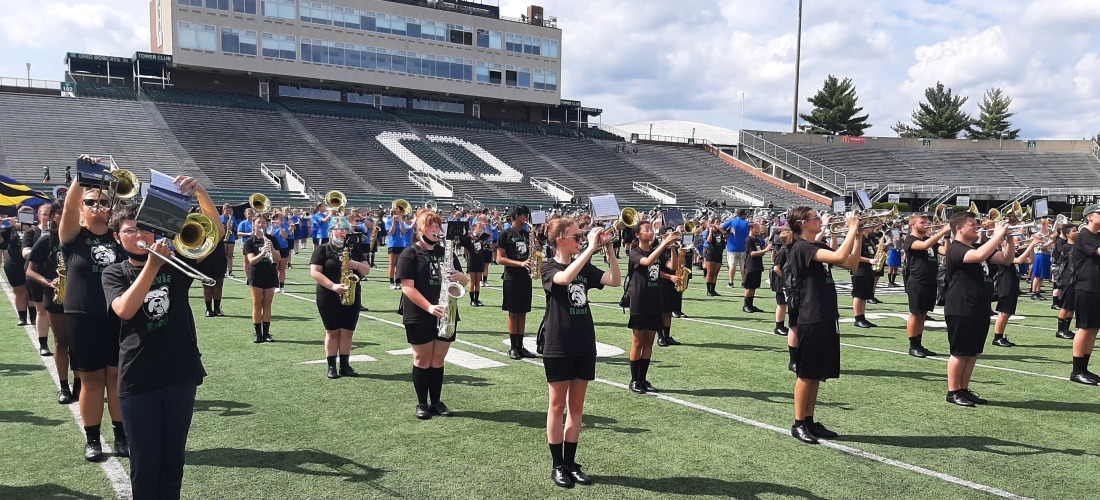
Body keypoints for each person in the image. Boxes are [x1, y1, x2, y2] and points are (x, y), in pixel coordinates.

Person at [101, 176, 221, 499]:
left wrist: (200, 192)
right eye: (130, 230)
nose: (139, 235)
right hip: (138, 381)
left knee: (172, 463)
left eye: (143, 227)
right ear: (117, 236)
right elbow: (125, 309)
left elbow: (215, 234)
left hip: (180, 374)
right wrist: (152, 266)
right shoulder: (114, 272)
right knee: (146, 464)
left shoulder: (177, 262)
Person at [539, 216, 619, 488]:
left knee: (576, 407)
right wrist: (589, 249)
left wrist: (607, 249)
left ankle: (571, 463)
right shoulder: (549, 266)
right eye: (576, 236)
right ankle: (557, 465)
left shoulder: (584, 264)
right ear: (560, 239)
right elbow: (564, 278)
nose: (581, 239)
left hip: (584, 341)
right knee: (557, 405)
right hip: (558, 343)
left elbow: (615, 280)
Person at [58, 166, 125, 461]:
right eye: (90, 201)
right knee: (92, 380)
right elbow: (70, 209)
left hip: (117, 316)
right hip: (82, 316)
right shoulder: (74, 236)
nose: (96, 205)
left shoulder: (120, 238)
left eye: (103, 201)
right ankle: (93, 439)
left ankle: (122, 436)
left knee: (117, 378)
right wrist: (81, 179)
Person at [785, 208, 862, 444]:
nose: (820, 220)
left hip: (826, 314)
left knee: (817, 374)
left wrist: (857, 236)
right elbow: (839, 257)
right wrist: (850, 228)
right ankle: (798, 423)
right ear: (803, 224)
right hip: (811, 315)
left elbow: (851, 263)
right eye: (815, 218)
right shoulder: (803, 247)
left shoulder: (817, 247)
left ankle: (809, 419)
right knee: (806, 373)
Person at [397, 209, 469, 419]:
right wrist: (429, 307)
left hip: (447, 311)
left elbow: (464, 282)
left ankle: (436, 401)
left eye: (438, 226)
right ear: (420, 229)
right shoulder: (410, 253)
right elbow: (407, 287)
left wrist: (460, 276)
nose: (436, 230)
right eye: (431, 226)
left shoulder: (446, 252)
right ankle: (422, 403)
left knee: (438, 360)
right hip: (420, 313)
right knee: (422, 359)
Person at [942, 211, 1012, 406]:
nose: (977, 227)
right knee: (960, 351)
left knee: (973, 352)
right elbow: (979, 255)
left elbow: (1007, 259)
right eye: (972, 224)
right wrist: (998, 235)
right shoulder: (955, 249)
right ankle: (953, 391)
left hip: (980, 306)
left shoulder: (980, 247)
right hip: (961, 305)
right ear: (959, 228)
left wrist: (1010, 238)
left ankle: (964, 389)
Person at [26, 200, 79, 404]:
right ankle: (64, 387)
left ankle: (79, 383)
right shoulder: (46, 240)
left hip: (79, 297)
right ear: (53, 216)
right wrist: (48, 282)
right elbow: (30, 271)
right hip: (56, 295)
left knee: (79, 343)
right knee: (61, 341)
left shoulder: (79, 238)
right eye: (62, 212)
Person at [310, 217, 370, 379]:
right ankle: (331, 366)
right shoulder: (322, 249)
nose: (343, 232)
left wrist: (356, 265)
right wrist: (333, 286)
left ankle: (345, 365)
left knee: (347, 332)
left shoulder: (353, 248)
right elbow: (315, 272)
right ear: (331, 231)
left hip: (351, 293)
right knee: (332, 332)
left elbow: (366, 270)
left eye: (345, 229)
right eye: (340, 229)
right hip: (328, 294)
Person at [625, 220, 678, 393]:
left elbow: (673, 267)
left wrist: (672, 247)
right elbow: (647, 262)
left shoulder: (658, 251)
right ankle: (634, 380)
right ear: (637, 235)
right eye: (647, 230)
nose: (651, 233)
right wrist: (663, 243)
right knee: (638, 341)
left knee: (649, 342)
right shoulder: (634, 253)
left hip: (655, 299)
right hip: (639, 301)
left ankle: (643, 379)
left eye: (651, 230)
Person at [902, 214, 951, 357]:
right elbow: (924, 246)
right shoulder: (910, 240)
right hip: (917, 281)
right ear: (913, 226)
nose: (926, 224)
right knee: (915, 313)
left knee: (923, 314)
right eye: (922, 222)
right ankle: (912, 346)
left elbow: (945, 252)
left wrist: (947, 237)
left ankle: (919, 343)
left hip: (930, 281)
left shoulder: (928, 241)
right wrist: (942, 231)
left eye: (926, 222)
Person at [496, 205, 537, 359]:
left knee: (523, 312)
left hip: (525, 277)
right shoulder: (505, 234)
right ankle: (513, 347)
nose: (527, 218)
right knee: (513, 312)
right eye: (525, 215)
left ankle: (521, 346)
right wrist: (520, 263)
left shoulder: (528, 234)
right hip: (511, 277)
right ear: (518, 216)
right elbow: (499, 258)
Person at [1069, 205, 1100, 385]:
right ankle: (1076, 371)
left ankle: (1085, 368)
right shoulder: (1085, 235)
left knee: (1094, 328)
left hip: (1096, 287)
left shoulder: (1096, 236)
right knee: (1085, 327)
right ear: (1089, 217)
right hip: (1086, 287)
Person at [991, 235, 1038, 347]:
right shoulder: (1001, 255)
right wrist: (1030, 245)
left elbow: (1031, 260)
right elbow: (1020, 260)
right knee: (1004, 313)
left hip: (1012, 285)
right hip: (1005, 285)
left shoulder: (1011, 254)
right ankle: (997, 337)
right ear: (1002, 244)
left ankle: (1000, 336)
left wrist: (1031, 249)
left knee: (1008, 313)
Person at [244, 214, 279, 343]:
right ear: (254, 224)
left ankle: (267, 333)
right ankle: (258, 334)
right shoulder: (249, 241)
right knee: (257, 304)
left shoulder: (272, 239)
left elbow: (279, 258)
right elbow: (252, 261)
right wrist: (263, 253)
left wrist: (272, 248)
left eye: (264, 222)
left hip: (270, 274)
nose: (261, 224)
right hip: (256, 274)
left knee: (267, 304)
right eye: (259, 222)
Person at [22, 203, 52, 354]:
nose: (48, 217)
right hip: (36, 274)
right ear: (39, 216)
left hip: (54, 274)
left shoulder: (59, 232)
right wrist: (41, 244)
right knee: (41, 310)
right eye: (45, 214)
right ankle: (43, 344)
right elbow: (25, 252)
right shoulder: (31, 232)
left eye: (51, 214)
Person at [1, 206, 33, 326]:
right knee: (19, 291)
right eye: (23, 214)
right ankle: (22, 317)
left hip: (32, 263)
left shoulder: (37, 229)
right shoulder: (10, 229)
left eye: (28, 214)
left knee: (32, 291)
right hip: (14, 263)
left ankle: (34, 317)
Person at [656, 227, 684, 347]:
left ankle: (667, 336)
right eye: (668, 233)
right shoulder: (657, 249)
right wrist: (669, 277)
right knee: (661, 311)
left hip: (672, 282)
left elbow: (676, 266)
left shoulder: (674, 248)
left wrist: (677, 251)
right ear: (662, 235)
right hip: (661, 282)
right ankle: (660, 337)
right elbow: (654, 270)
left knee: (668, 311)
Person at [850, 226, 878, 328]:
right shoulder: (858, 238)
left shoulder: (869, 238)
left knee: (865, 295)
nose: (871, 227)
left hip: (869, 269)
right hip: (859, 269)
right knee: (858, 295)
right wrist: (869, 260)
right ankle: (858, 318)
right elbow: (853, 255)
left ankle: (862, 316)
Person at [1054, 224, 1078, 340]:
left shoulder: (1078, 246)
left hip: (1075, 279)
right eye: (1074, 231)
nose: (1076, 232)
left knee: (1072, 306)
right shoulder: (1066, 247)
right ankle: (1060, 330)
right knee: (1065, 306)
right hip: (1068, 279)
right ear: (1067, 234)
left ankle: (1066, 329)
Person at [741, 223, 772, 314]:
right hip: (751, 265)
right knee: (749, 287)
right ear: (751, 229)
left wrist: (766, 248)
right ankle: (746, 305)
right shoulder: (749, 240)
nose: (759, 230)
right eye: (757, 228)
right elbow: (752, 253)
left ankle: (751, 305)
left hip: (758, 265)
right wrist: (766, 250)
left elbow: (759, 252)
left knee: (754, 286)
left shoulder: (757, 240)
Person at [386, 205, 411, 290]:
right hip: (392, 245)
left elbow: (404, 232)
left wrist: (400, 222)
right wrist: (393, 222)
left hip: (401, 245)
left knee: (399, 265)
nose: (398, 213)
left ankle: (398, 282)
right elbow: (391, 232)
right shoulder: (389, 221)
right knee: (392, 264)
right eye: (396, 212)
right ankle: (391, 282)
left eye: (398, 212)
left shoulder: (402, 222)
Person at [722, 210, 749, 288]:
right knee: (743, 266)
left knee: (732, 265)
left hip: (732, 247)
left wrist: (725, 233)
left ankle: (731, 282)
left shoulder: (731, 221)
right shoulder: (746, 223)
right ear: (743, 215)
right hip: (743, 247)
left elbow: (721, 227)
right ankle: (744, 282)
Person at [701, 218, 725, 296]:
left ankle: (713, 289)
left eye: (719, 222)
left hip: (719, 253)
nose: (718, 223)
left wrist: (720, 229)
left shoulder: (720, 231)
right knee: (710, 272)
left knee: (715, 273)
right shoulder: (709, 231)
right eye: (716, 222)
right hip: (711, 253)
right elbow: (709, 240)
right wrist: (711, 230)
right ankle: (708, 290)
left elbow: (726, 236)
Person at [236, 208, 255, 278]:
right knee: (247, 260)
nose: (250, 215)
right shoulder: (243, 223)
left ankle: (253, 275)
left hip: (255, 243)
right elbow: (238, 233)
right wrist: (248, 234)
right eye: (249, 214)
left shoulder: (255, 222)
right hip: (246, 243)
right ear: (245, 214)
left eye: (251, 214)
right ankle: (247, 276)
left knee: (254, 260)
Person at [220, 204, 237, 277]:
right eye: (227, 210)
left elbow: (236, 228)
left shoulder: (232, 218)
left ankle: (230, 271)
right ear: (223, 210)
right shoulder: (220, 218)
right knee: (223, 256)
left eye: (229, 210)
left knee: (230, 255)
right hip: (222, 238)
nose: (228, 212)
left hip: (231, 238)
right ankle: (222, 271)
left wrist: (231, 227)